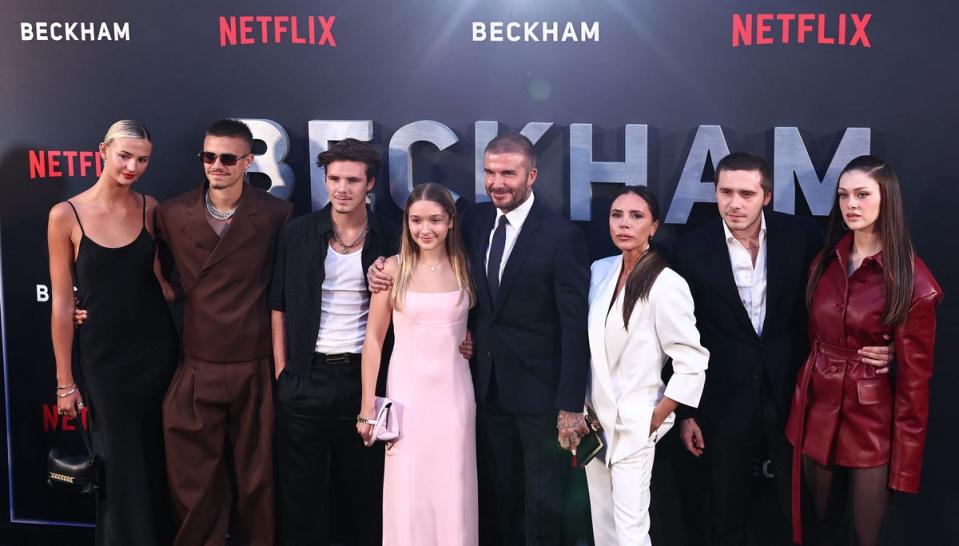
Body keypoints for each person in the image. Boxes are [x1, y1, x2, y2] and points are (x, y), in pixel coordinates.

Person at [368, 133, 590, 545]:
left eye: (508, 172)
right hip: (485, 391)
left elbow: (575, 325)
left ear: (532, 176)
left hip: (541, 397)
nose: (497, 181)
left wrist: (570, 404)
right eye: (490, 172)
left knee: (542, 507)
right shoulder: (474, 220)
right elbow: (435, 266)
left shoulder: (562, 236)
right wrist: (381, 266)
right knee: (499, 501)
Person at [672, 152, 893, 545]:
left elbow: (847, 293)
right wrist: (686, 411)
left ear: (767, 196)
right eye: (725, 192)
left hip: (795, 395)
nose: (734, 203)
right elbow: (678, 337)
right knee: (724, 509)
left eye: (746, 193)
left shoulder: (802, 236)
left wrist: (882, 345)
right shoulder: (689, 250)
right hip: (722, 402)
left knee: (799, 510)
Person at [785, 155, 942, 546]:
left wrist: (905, 467)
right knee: (821, 531)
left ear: (886, 199)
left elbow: (915, 384)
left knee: (863, 537)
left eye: (862, 194)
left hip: (872, 425)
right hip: (817, 412)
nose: (851, 205)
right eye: (843, 195)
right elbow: (811, 334)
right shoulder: (823, 262)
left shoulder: (912, 280)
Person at [158, 119, 292, 545]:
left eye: (227, 158)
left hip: (255, 362)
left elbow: (287, 290)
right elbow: (148, 275)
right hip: (198, 361)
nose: (216, 165)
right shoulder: (171, 212)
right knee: (193, 482)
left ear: (248, 161)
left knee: (259, 479)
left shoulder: (275, 214)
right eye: (208, 156)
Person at [48, 120, 178, 545]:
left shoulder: (150, 208)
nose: (133, 167)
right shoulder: (65, 214)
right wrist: (65, 383)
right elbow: (63, 303)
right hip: (104, 358)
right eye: (125, 156)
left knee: (159, 459)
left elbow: (160, 284)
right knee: (119, 465)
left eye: (142, 160)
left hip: (157, 352)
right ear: (102, 150)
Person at [270, 139, 400, 545]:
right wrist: (282, 373)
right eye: (334, 179)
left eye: (353, 180)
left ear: (370, 184)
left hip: (363, 381)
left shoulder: (392, 237)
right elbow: (278, 306)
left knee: (360, 494)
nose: (342, 188)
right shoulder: (298, 233)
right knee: (301, 496)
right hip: (305, 377)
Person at [585, 186, 709, 546]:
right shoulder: (600, 271)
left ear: (654, 226)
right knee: (603, 525)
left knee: (631, 530)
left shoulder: (667, 283)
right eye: (616, 215)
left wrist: (657, 415)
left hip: (634, 424)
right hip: (595, 422)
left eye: (636, 216)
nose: (624, 224)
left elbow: (692, 359)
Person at [356, 182, 478, 545]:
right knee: (408, 491)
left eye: (435, 220)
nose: (425, 229)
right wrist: (366, 407)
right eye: (416, 220)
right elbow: (374, 340)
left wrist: (470, 340)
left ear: (451, 222)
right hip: (406, 398)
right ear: (406, 223)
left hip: (455, 395)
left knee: (454, 488)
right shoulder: (391, 270)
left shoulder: (467, 267)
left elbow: (478, 324)